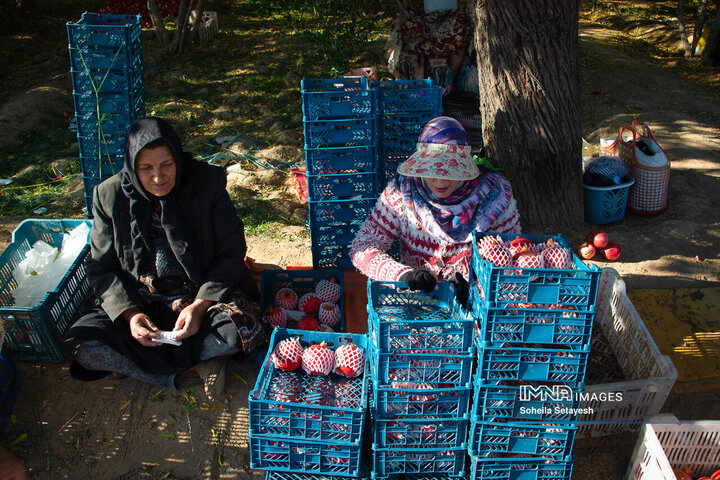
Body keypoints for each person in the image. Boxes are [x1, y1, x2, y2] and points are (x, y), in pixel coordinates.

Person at [65, 117, 268, 399]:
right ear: (132, 166)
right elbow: (101, 267)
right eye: (146, 168)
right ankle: (192, 366)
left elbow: (231, 251)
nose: (158, 178)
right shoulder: (108, 196)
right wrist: (131, 315)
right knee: (82, 344)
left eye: (167, 165)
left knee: (239, 330)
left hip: (199, 298)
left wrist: (200, 305)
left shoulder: (206, 183)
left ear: (178, 159)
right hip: (141, 300)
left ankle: (149, 366)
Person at [350, 116, 521, 304]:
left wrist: (477, 289)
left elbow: (512, 259)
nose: (440, 182)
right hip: (416, 304)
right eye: (432, 170)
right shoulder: (402, 192)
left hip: (473, 312)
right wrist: (402, 275)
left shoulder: (493, 198)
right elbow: (363, 246)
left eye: (451, 172)